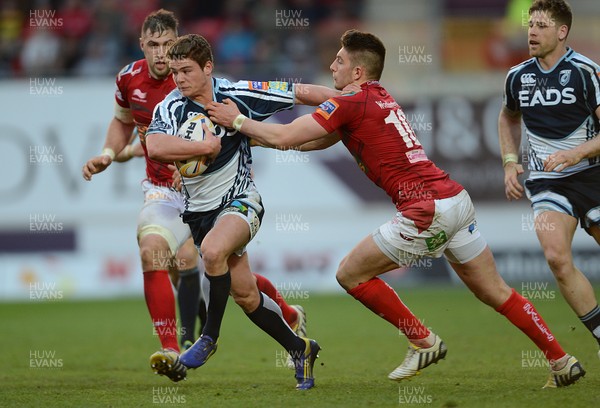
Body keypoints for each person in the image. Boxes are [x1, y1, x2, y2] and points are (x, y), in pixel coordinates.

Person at [206, 28, 586, 388]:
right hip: (455, 200)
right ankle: (560, 359)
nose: (332, 65)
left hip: (426, 210)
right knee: (496, 291)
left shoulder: (351, 103)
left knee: (350, 274)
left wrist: (237, 120)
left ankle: (422, 340)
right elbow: (307, 143)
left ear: (357, 70)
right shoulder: (375, 96)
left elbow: (289, 134)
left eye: (339, 61)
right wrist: (253, 141)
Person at [82, 10, 307, 383]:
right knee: (157, 250)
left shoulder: (207, 86)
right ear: (141, 45)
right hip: (165, 192)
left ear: (180, 47)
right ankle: (172, 348)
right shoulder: (129, 79)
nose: (161, 55)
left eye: (167, 46)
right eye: (153, 46)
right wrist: (108, 154)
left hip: (214, 195)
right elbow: (125, 125)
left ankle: (270, 318)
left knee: (216, 268)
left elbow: (286, 100)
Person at [145, 33, 340, 390]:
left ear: (208, 67)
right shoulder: (169, 106)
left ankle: (209, 338)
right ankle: (301, 348)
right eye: (174, 73)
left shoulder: (238, 94)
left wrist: (353, 101)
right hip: (199, 214)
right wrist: (202, 146)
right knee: (247, 295)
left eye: (187, 71)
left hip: (241, 202)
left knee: (212, 252)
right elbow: (154, 145)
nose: (179, 79)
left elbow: (300, 93)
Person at [498, 0, 600, 360]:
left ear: (562, 32)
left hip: (593, 174)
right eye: (530, 25)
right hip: (547, 182)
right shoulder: (517, 76)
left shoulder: (587, 72)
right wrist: (511, 163)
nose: (532, 32)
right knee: (557, 258)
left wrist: (577, 153)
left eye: (541, 25)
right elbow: (508, 117)